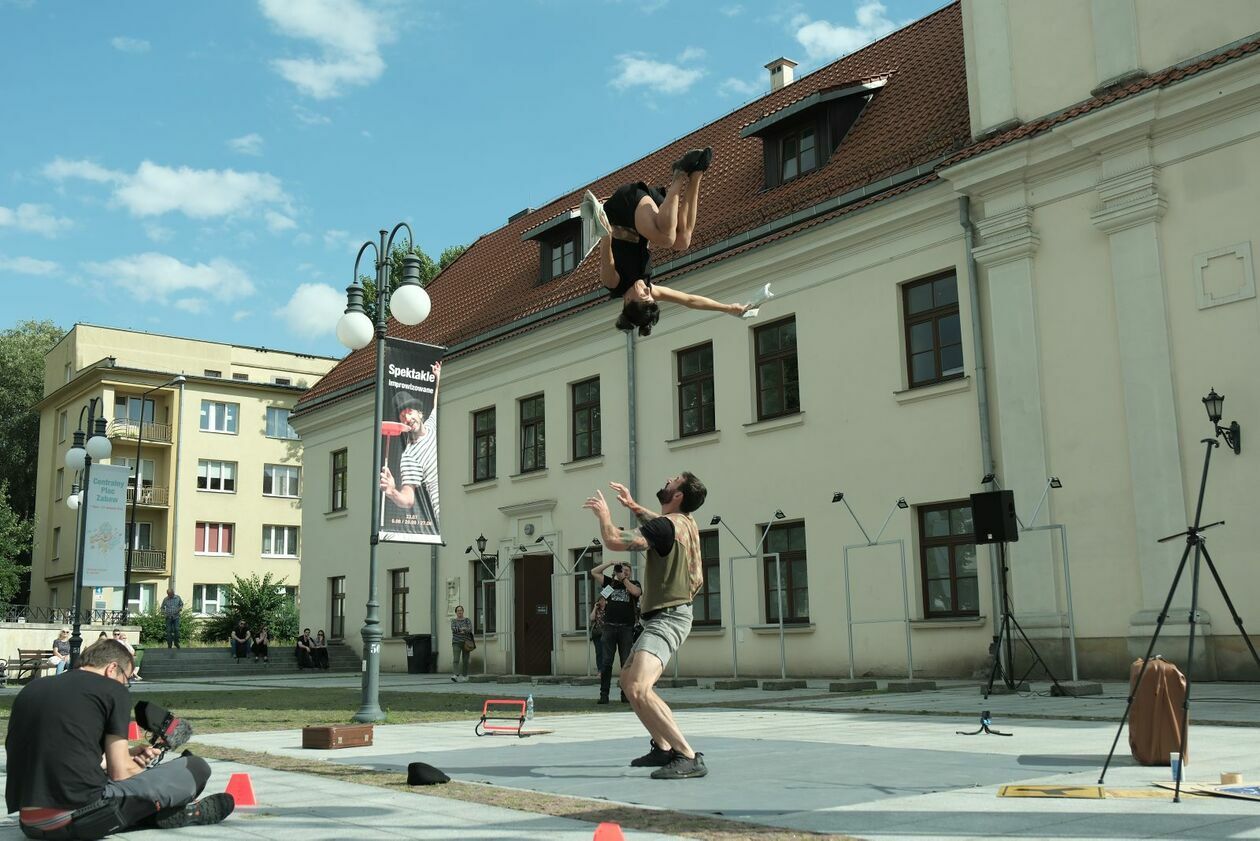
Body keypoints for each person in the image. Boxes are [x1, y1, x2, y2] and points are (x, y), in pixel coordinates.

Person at [4, 638, 234, 837]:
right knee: (195, 767)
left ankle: (153, 814)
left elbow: (62, 755)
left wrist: (126, 755)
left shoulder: (32, 689)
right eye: (126, 679)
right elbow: (120, 773)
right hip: (81, 817)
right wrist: (141, 772)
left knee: (126, 788)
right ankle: (167, 812)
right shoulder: (112, 690)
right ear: (112, 668)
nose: (126, 685)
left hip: (30, 823)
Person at [583, 474, 709, 780]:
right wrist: (634, 506)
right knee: (627, 682)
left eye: (674, 480)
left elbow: (614, 540)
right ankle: (663, 748)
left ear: (677, 495)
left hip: (668, 617)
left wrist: (605, 516)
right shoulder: (685, 522)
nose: (667, 480)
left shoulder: (666, 527)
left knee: (638, 686)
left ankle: (688, 755)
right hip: (666, 615)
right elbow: (658, 522)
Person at [580, 148, 755, 336]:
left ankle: (679, 174)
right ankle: (697, 173)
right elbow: (689, 300)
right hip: (650, 216)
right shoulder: (649, 288)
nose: (648, 293)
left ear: (628, 300)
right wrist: (728, 308)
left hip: (622, 209)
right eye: (651, 298)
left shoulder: (613, 282)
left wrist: (600, 220)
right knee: (682, 241)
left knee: (667, 238)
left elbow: (606, 238)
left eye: (644, 298)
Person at [379, 361, 441, 536]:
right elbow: (408, 499)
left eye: (410, 411)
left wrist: (438, 378)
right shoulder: (409, 455)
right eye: (402, 415)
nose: (407, 417)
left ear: (420, 413)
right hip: (441, 512)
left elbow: (436, 402)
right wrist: (391, 491)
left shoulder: (432, 424)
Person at [589, 560, 640, 704]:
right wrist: (610, 563)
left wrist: (623, 579)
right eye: (621, 570)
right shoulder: (610, 584)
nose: (624, 572)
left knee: (626, 663)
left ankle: (625, 694)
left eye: (627, 570)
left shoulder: (634, 584)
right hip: (609, 628)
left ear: (630, 572)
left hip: (626, 629)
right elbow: (594, 572)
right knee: (606, 663)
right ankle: (604, 695)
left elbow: (636, 592)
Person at [450, 605, 473, 682]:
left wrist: (462, 630)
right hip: (456, 642)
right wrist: (462, 629)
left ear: (463, 611)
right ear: (456, 612)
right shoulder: (453, 621)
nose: (460, 612)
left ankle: (465, 675)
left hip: (466, 643)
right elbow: (453, 629)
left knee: (465, 660)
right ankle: (456, 675)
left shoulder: (467, 620)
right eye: (458, 610)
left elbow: (470, 629)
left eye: (461, 610)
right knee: (456, 659)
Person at [588, 597, 607, 676]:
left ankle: (605, 671)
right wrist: (595, 608)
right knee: (599, 652)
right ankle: (600, 670)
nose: (601, 602)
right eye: (600, 600)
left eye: (603, 600)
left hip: (607, 634)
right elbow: (591, 618)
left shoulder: (609, 609)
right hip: (597, 634)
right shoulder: (597, 610)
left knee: (606, 653)